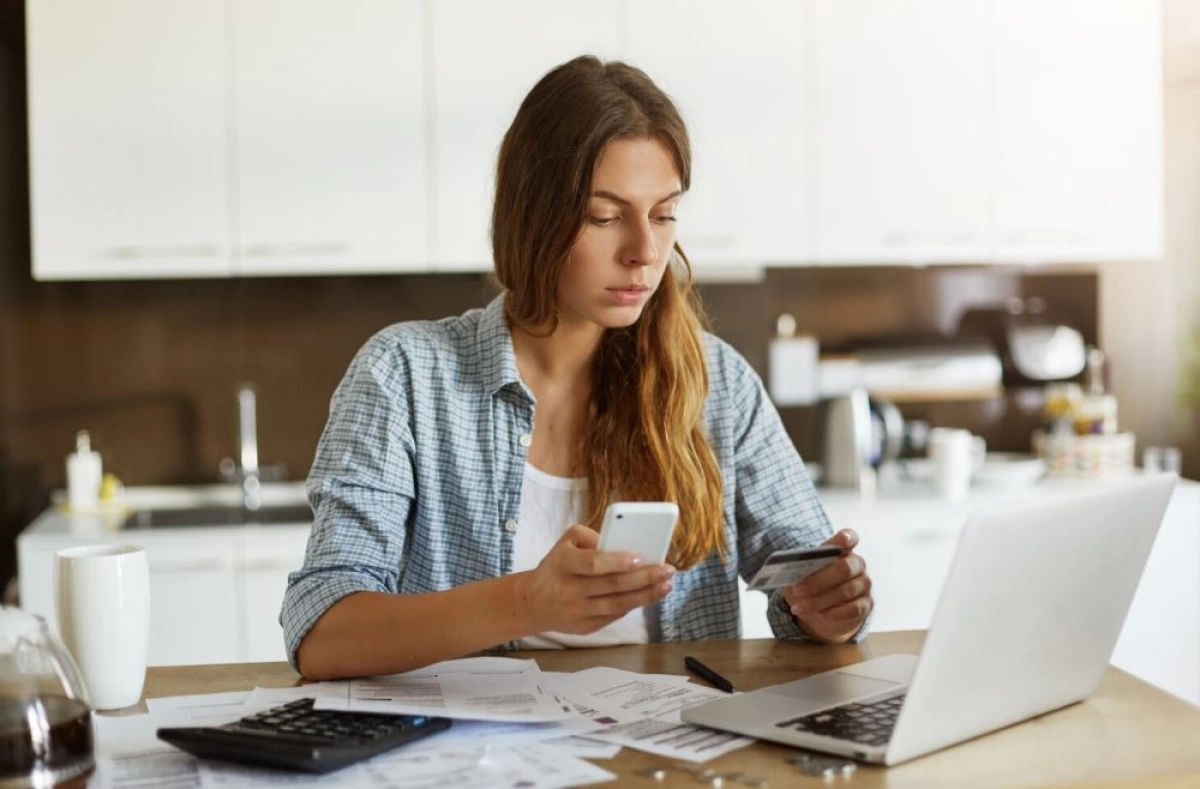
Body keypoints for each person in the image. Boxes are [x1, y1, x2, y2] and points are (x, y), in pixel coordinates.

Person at [282, 55, 873, 681]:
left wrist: (829, 608)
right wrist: (525, 602)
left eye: (664, 213)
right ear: (534, 218)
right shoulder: (404, 375)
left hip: (669, 763)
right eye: (604, 216)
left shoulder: (716, 382)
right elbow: (322, 633)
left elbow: (812, 588)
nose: (644, 252)